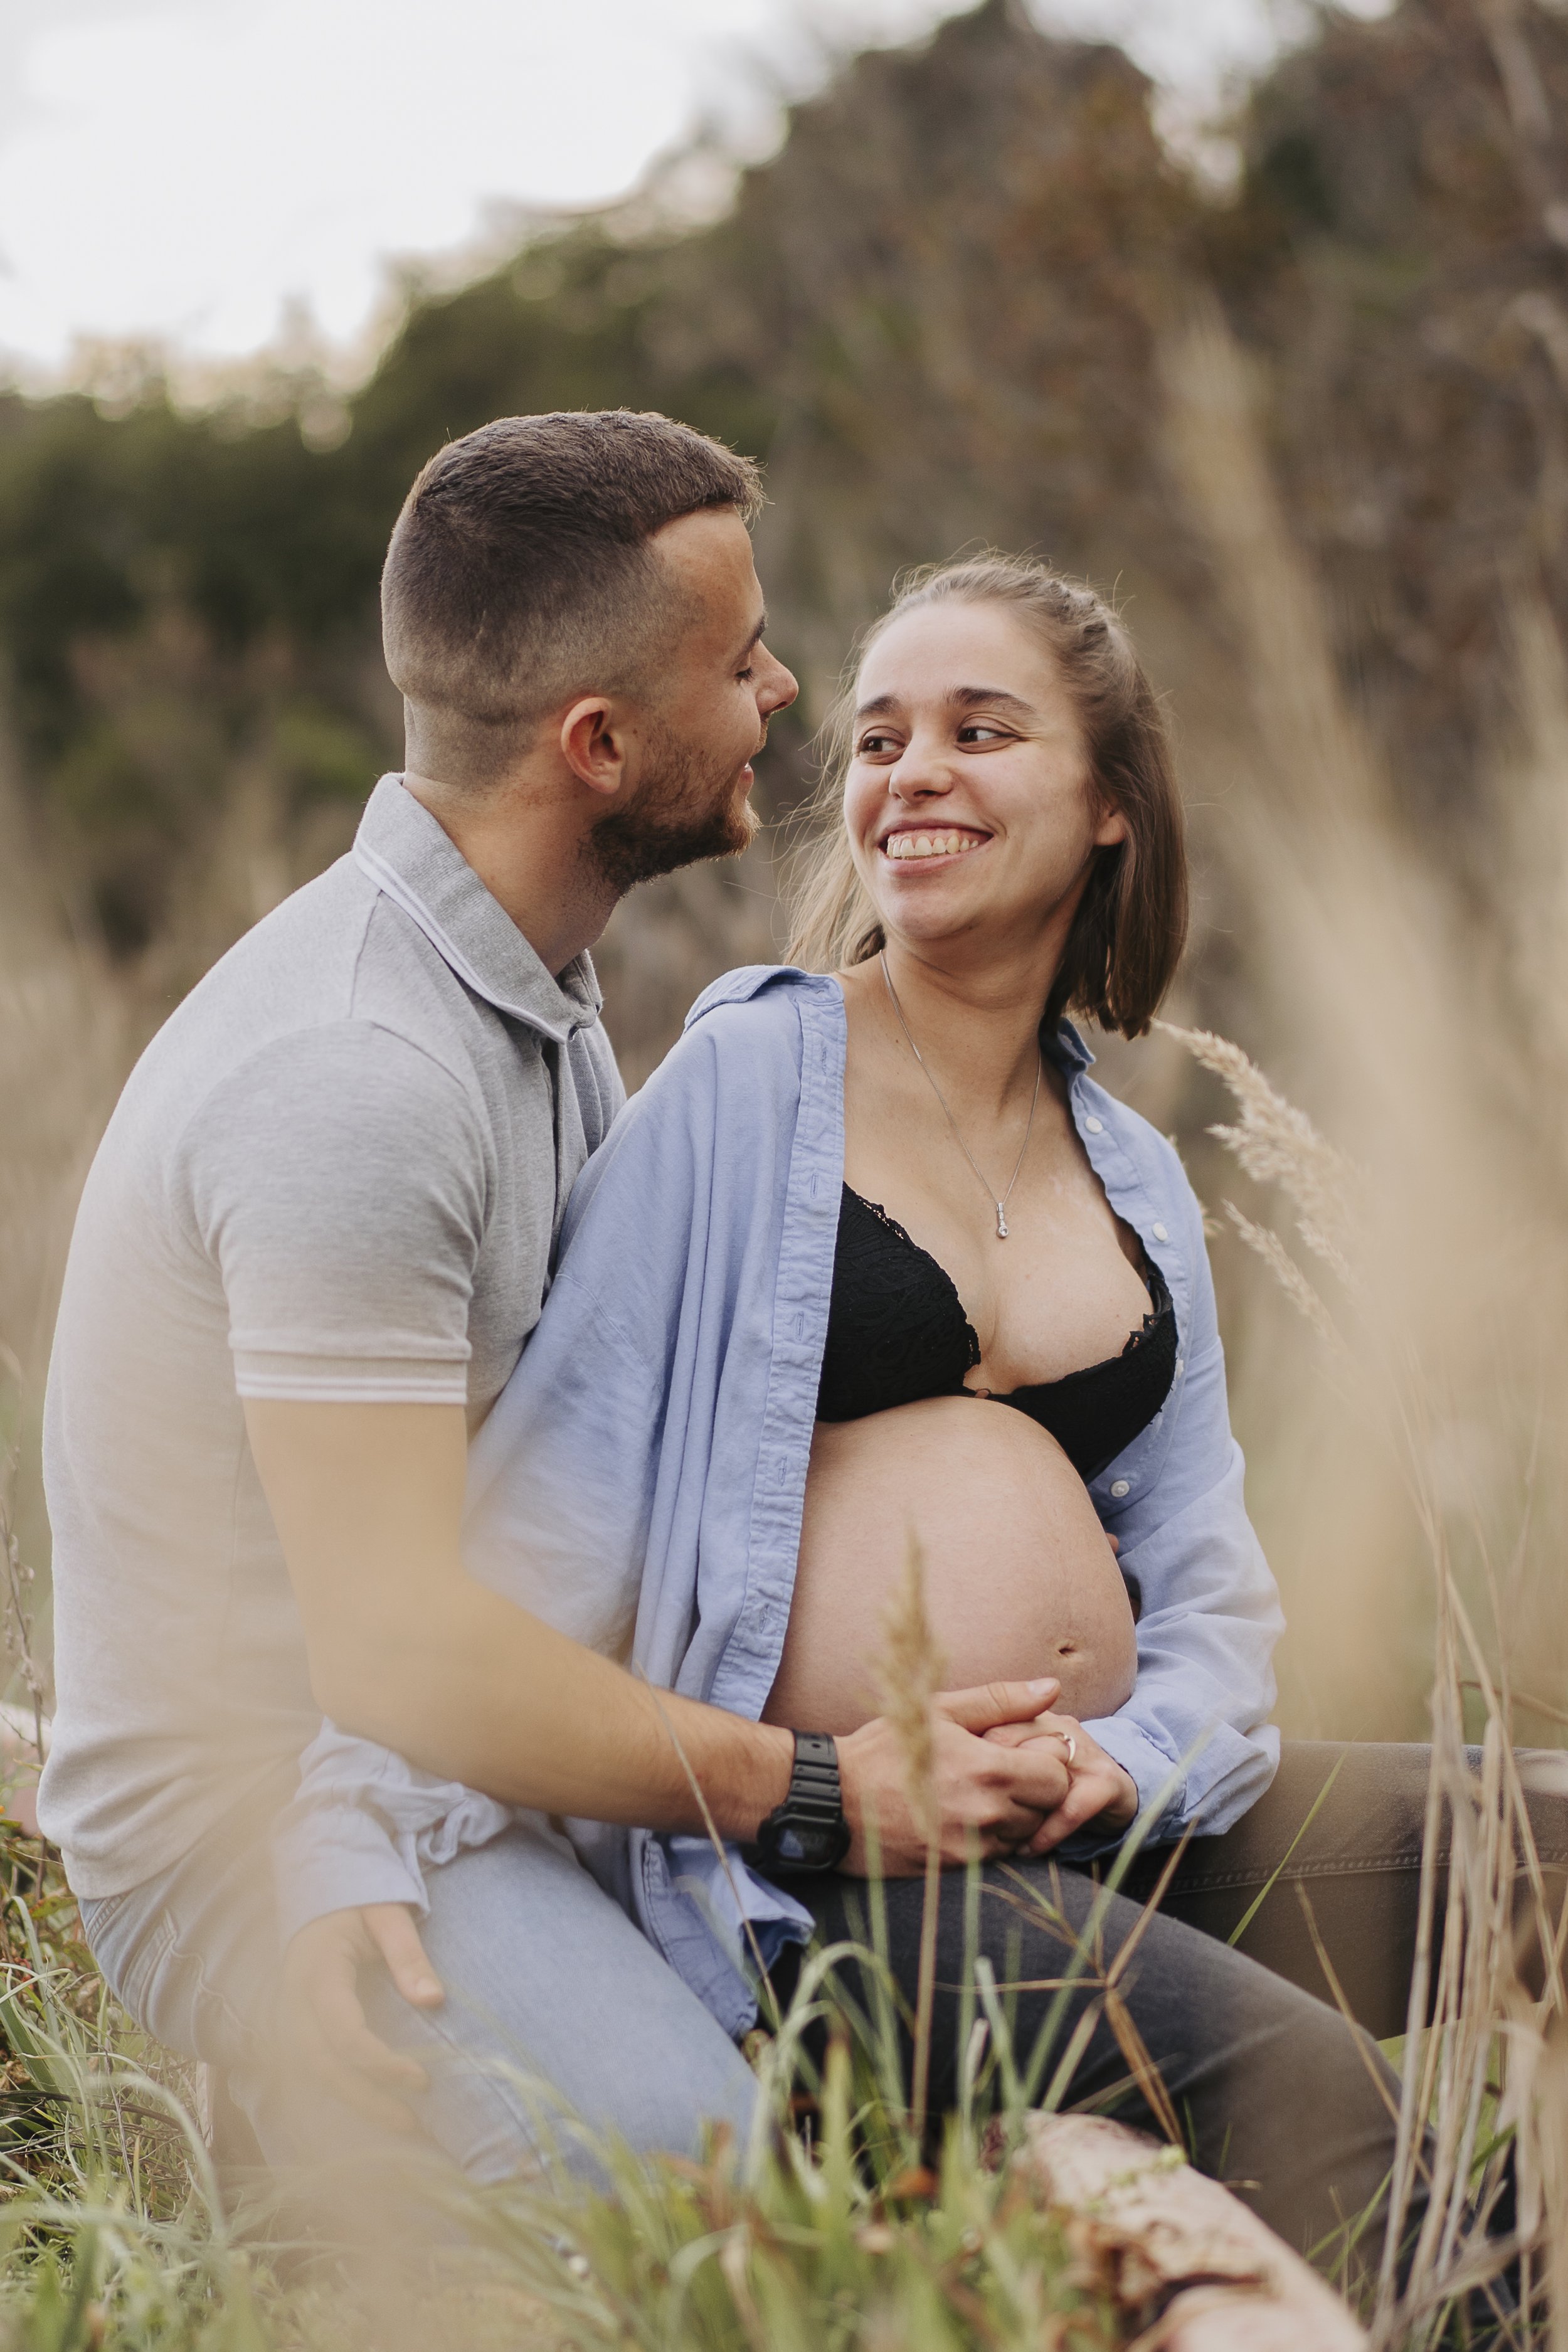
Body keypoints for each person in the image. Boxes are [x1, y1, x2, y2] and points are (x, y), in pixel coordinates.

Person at [274, 556, 1567, 2274]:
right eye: (879, 739)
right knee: (1309, 2091)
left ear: (1110, 800)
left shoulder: (1138, 1174)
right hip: (830, 1869)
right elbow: (545, 1501)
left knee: (1546, 1840)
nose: (913, 773)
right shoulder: (751, 1082)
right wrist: (347, 1816)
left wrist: (1114, 1761)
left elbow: (1207, 1586)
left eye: (980, 729)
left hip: (1115, 1815)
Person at [38, 416, 1101, 2191]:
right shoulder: (358, 1078)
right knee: (709, 2196)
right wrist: (823, 1787)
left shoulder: (530, 985)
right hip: (271, 1832)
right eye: (737, 661)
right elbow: (390, 1653)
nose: (782, 691)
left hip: (479, 1760)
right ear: (596, 746)